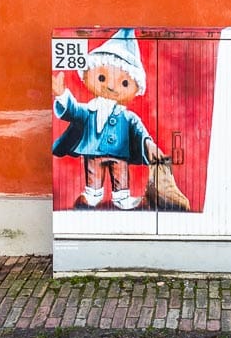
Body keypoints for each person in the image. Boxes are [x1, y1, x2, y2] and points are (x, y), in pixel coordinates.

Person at [52, 28, 160, 209]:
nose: (110, 86)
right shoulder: (88, 110)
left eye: (124, 83)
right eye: (102, 77)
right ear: (87, 75)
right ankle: (92, 195)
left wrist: (149, 144)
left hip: (120, 153)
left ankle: (122, 197)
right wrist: (62, 94)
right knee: (93, 172)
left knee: (120, 172)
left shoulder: (127, 116)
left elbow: (139, 130)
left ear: (135, 88)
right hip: (93, 150)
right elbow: (73, 110)